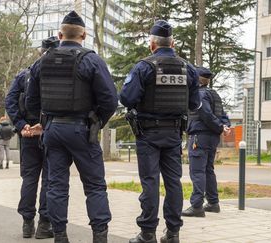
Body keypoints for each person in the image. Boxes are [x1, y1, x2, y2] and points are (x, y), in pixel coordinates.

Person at [26, 11, 118, 243]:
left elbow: (31, 100)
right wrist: (96, 122)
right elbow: (109, 100)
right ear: (84, 35)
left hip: (53, 131)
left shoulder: (42, 61)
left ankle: (59, 235)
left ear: (59, 35)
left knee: (56, 186)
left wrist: (42, 120)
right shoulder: (92, 60)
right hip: (82, 130)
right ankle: (99, 236)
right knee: (95, 185)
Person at [119, 20, 201, 243]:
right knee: (174, 182)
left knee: (150, 182)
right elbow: (195, 105)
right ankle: (173, 233)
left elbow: (126, 98)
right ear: (172, 43)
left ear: (152, 45)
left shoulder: (144, 67)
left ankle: (147, 234)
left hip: (148, 134)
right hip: (174, 134)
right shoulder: (188, 69)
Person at [5, 36, 60, 239]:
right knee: (49, 179)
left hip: (29, 133)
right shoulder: (61, 74)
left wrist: (22, 125)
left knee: (30, 178)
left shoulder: (25, 74)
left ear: (40, 52)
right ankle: (44, 225)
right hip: (51, 131)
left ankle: (27, 223)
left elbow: (10, 101)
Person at [182, 67, 231, 217]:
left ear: (196, 79)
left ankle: (197, 206)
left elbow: (206, 115)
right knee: (208, 169)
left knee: (197, 171)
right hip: (212, 137)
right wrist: (224, 126)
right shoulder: (214, 94)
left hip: (199, 136)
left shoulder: (199, 95)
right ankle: (213, 203)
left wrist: (219, 126)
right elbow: (222, 114)